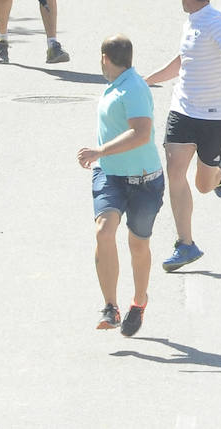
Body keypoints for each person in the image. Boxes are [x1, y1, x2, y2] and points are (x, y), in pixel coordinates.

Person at [144, 0, 221, 271]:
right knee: (175, 172)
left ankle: (218, 174)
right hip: (183, 110)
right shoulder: (191, 22)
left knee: (203, 184)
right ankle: (186, 244)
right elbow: (183, 60)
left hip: (215, 116)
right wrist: (148, 79)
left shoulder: (215, 22)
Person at [77, 35, 164, 336]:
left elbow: (141, 134)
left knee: (138, 245)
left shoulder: (134, 88)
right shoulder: (116, 85)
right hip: (110, 176)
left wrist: (99, 151)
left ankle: (139, 302)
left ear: (104, 58)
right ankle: (110, 307)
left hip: (144, 181)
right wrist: (102, 159)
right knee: (104, 232)